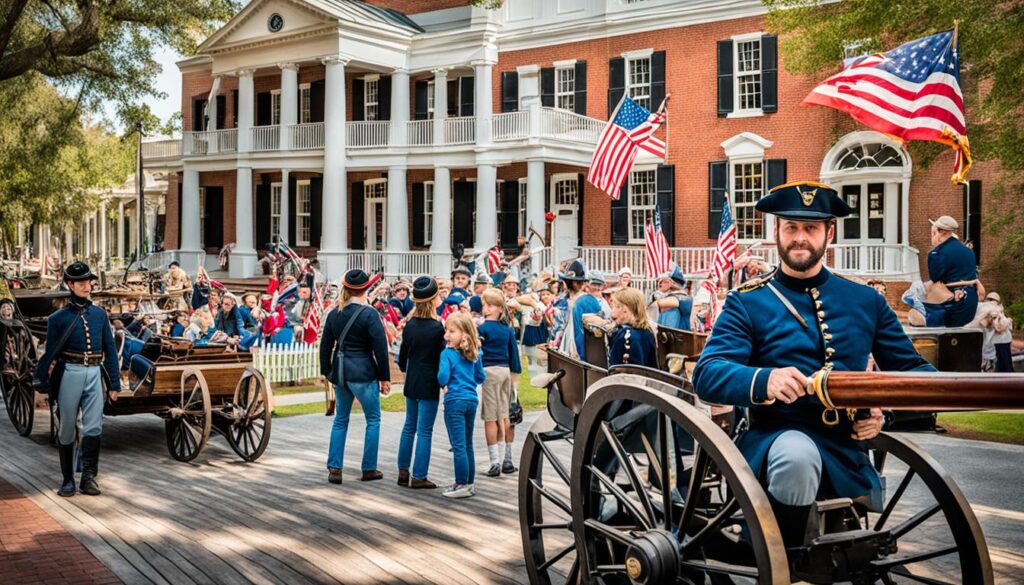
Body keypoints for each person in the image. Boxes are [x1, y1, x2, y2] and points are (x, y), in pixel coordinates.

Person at [692, 181, 935, 549]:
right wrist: (765, 379)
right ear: (776, 232)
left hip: (844, 450)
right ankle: (781, 560)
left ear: (829, 233)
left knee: (806, 455)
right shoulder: (747, 302)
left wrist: (886, 411)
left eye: (810, 228)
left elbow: (914, 373)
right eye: (791, 227)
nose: (799, 238)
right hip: (774, 438)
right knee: (796, 456)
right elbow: (707, 374)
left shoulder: (865, 301)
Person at [33, 262, 121, 497]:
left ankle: (89, 478)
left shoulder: (100, 314)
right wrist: (42, 381)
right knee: (67, 428)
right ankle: (68, 479)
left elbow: (110, 350)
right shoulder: (57, 319)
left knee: (94, 427)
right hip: (69, 373)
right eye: (80, 282)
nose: (87, 286)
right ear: (70, 285)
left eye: (88, 281)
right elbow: (51, 353)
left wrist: (114, 383)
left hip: (94, 373)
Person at [320, 269, 391, 485]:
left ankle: (334, 467)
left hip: (341, 373)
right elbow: (380, 348)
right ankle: (368, 468)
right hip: (364, 372)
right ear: (366, 289)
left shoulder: (334, 313)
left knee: (341, 420)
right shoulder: (370, 314)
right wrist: (384, 378)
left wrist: (328, 372)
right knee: (373, 420)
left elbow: (325, 347)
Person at [396, 276, 445, 489]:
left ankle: (402, 470)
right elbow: (441, 357)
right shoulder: (437, 328)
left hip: (412, 379)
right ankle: (419, 474)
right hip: (429, 381)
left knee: (409, 426)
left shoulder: (410, 325)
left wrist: (408, 369)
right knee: (425, 430)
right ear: (433, 300)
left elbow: (403, 357)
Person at [438, 313, 486, 498]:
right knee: (467, 444)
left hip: (454, 401)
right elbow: (481, 377)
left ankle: (461, 484)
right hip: (471, 400)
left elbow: (442, 377)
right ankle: (469, 482)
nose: (446, 335)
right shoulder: (476, 354)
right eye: (446, 331)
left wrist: (445, 383)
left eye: (451, 331)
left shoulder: (447, 354)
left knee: (458, 445)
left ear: (464, 334)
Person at [478, 289, 522, 477]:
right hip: (506, 372)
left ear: (498, 308)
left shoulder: (482, 328)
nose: (486, 309)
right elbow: (515, 358)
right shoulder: (508, 329)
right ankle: (508, 460)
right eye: (484, 305)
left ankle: (495, 462)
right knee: (506, 416)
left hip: (489, 372)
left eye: (490, 305)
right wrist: (515, 385)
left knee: (490, 418)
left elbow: (477, 352)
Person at [924, 216, 979, 327]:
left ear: (942, 233)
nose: (932, 236)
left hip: (952, 304)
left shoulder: (937, 254)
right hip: (971, 301)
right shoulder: (969, 251)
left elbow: (935, 280)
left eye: (934, 233)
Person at [608, 287, 658, 368]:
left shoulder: (627, 336)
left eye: (614, 307)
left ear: (625, 309)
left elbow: (626, 371)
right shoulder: (647, 330)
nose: (612, 312)